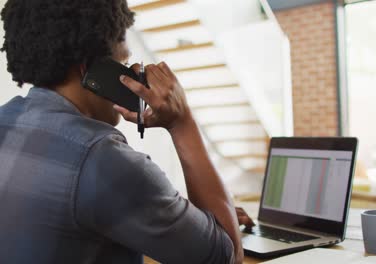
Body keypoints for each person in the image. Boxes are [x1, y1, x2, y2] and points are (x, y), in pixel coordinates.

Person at [0, 0, 253, 263]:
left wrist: (191, 221)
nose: (133, 74)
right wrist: (181, 122)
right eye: (124, 61)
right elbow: (227, 256)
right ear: (92, 68)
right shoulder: (103, 160)